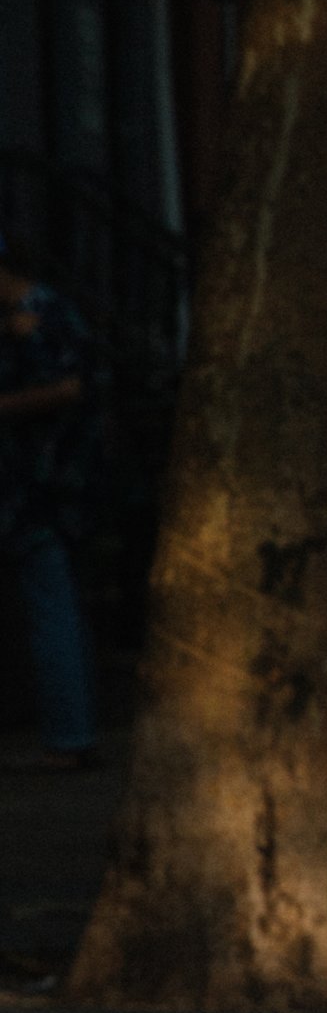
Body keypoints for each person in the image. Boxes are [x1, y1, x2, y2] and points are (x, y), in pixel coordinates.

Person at [0, 244, 100, 770]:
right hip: (32, 485)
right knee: (53, 600)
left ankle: (69, 732)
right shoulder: (22, 318)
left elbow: (68, 388)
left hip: (41, 486)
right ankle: (71, 729)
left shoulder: (44, 315)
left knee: (51, 599)